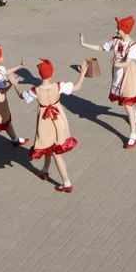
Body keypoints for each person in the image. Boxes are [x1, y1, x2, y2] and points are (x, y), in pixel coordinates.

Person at [80, 16, 136, 149]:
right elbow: (101, 48)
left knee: (127, 103)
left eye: (119, 29)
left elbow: (127, 62)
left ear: (125, 30)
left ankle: (133, 135)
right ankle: (133, 113)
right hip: (117, 74)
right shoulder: (115, 41)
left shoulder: (132, 45)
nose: (117, 31)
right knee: (127, 102)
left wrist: (117, 63)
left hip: (128, 75)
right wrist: (84, 44)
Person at [27, 58, 88, 193]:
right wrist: (82, 72)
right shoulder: (58, 86)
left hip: (45, 124)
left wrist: (14, 84)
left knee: (55, 152)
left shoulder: (35, 91)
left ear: (39, 74)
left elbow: (23, 96)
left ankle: (66, 183)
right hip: (59, 121)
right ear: (52, 73)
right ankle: (45, 170)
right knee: (51, 145)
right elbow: (77, 87)